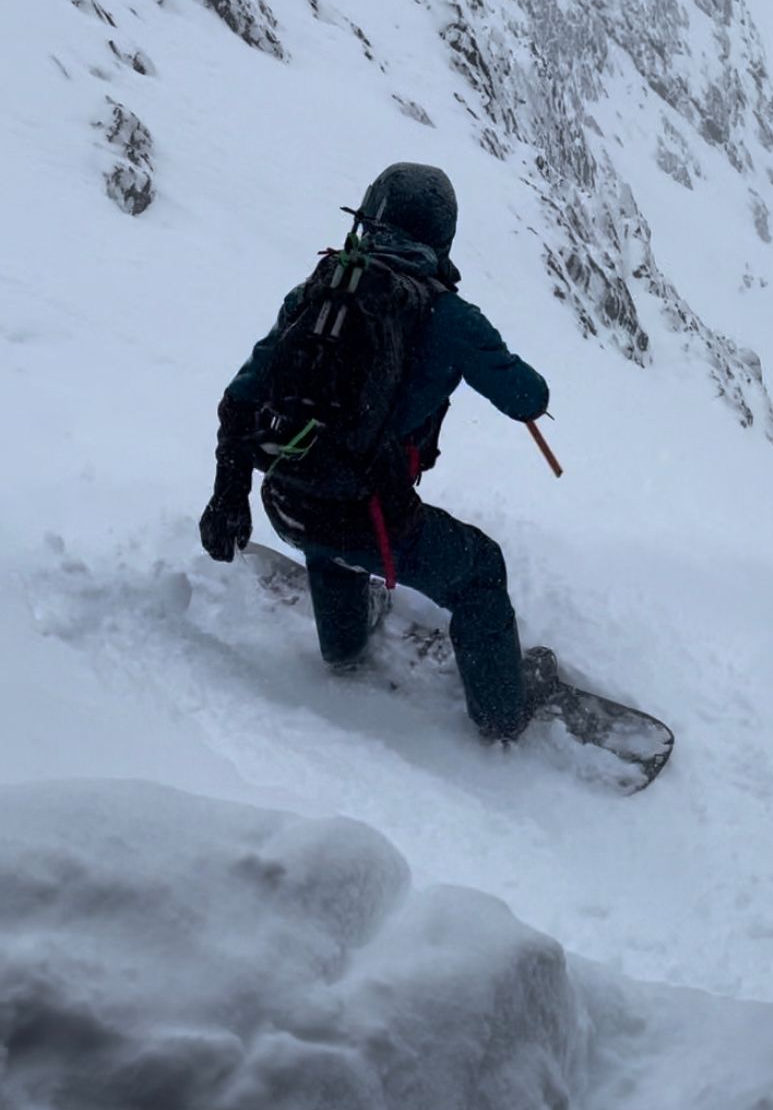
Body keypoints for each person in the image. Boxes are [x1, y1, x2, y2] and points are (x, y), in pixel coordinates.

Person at [199, 162, 554, 741]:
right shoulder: (452, 319)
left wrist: (226, 496)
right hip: (368, 521)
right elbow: (528, 397)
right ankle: (502, 715)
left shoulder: (320, 293)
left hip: (282, 502)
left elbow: (240, 398)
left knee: (327, 498)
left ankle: (344, 644)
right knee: (481, 570)